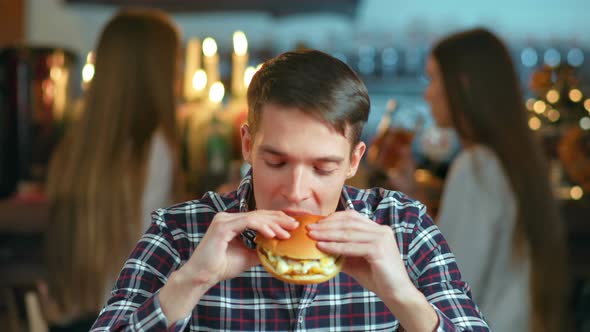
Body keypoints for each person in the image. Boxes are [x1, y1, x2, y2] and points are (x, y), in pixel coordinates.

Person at [91, 49, 489, 331]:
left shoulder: (402, 227)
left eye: (323, 168)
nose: (297, 191)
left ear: (354, 161)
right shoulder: (180, 234)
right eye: (276, 163)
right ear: (247, 145)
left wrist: (403, 297)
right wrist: (191, 281)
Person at [391, 28, 567, 331]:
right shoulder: (512, 161)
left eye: (433, 78)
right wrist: (412, 194)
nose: (427, 93)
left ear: (462, 84)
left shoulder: (476, 168)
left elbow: (445, 289)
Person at [42, 8, 185, 331]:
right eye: (174, 63)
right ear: (156, 72)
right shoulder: (156, 147)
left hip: (76, 316)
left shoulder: (76, 148)